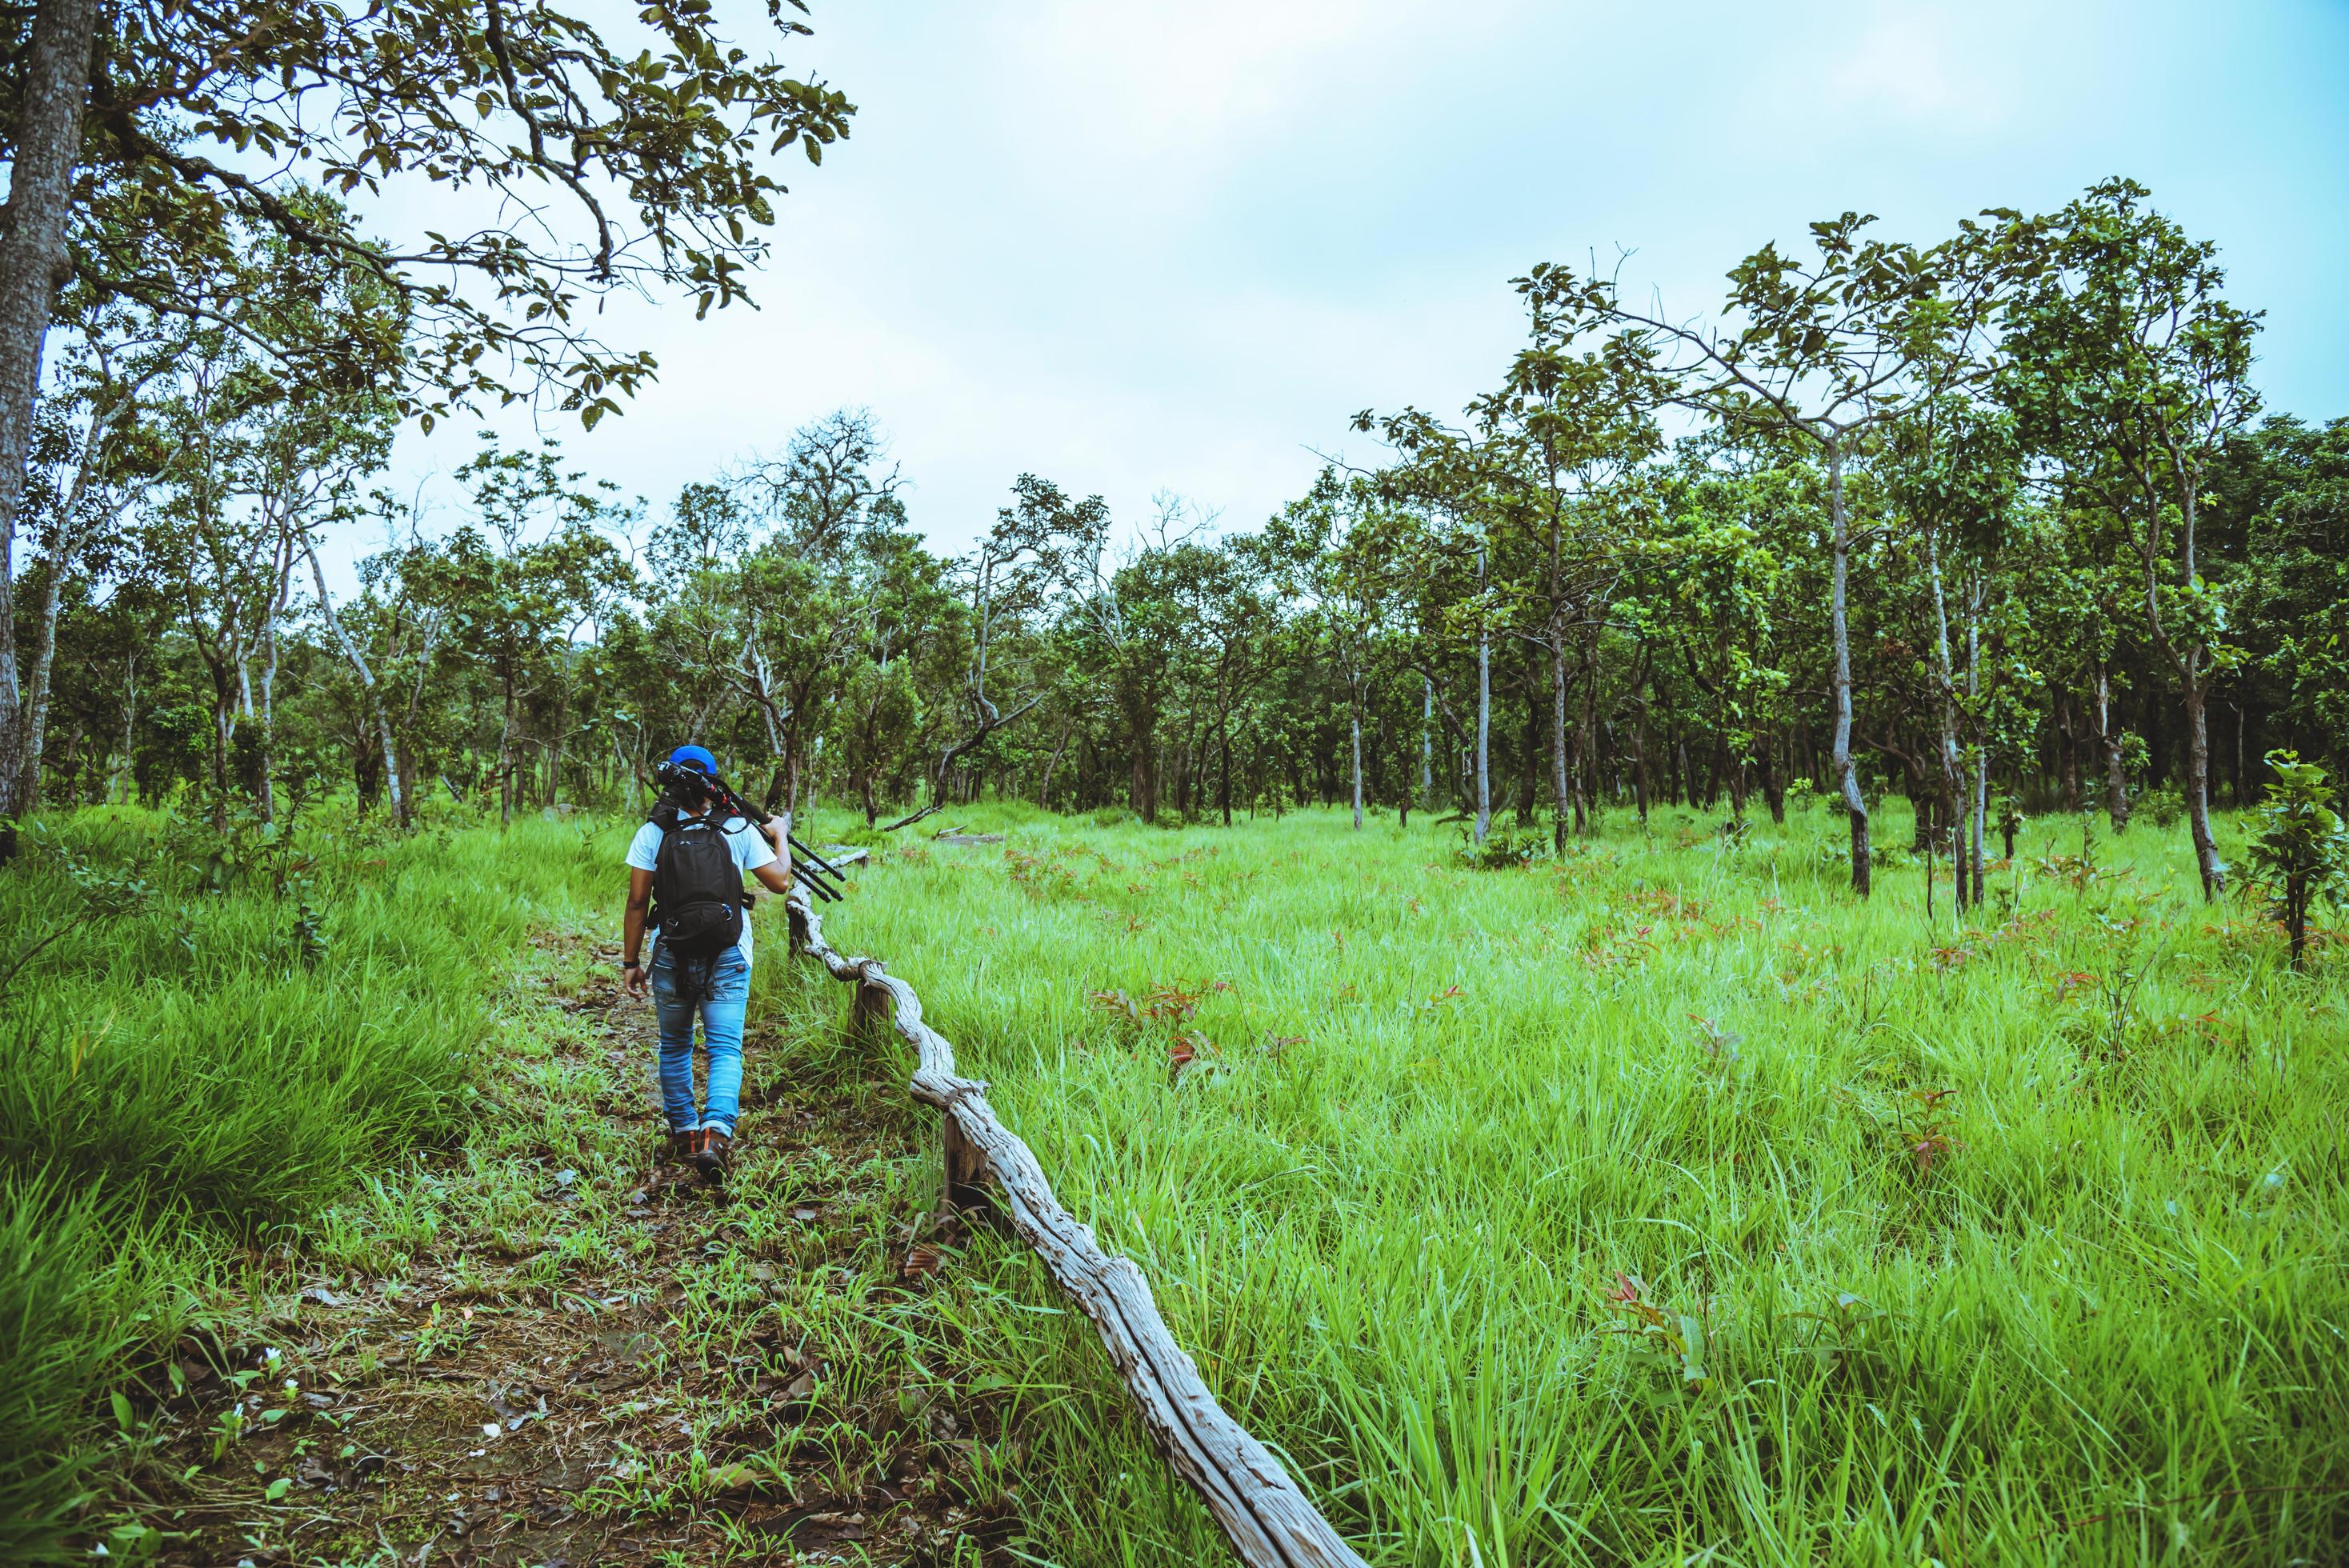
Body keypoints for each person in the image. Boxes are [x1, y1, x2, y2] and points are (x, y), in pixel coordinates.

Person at [620, 745, 794, 1181]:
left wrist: (630, 961)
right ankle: (715, 1137)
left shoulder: (653, 832)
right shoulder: (738, 828)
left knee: (674, 1045)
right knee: (724, 1049)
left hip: (670, 954)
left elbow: (638, 901)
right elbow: (780, 881)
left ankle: (683, 1133)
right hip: (729, 953)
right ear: (714, 785)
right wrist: (780, 834)